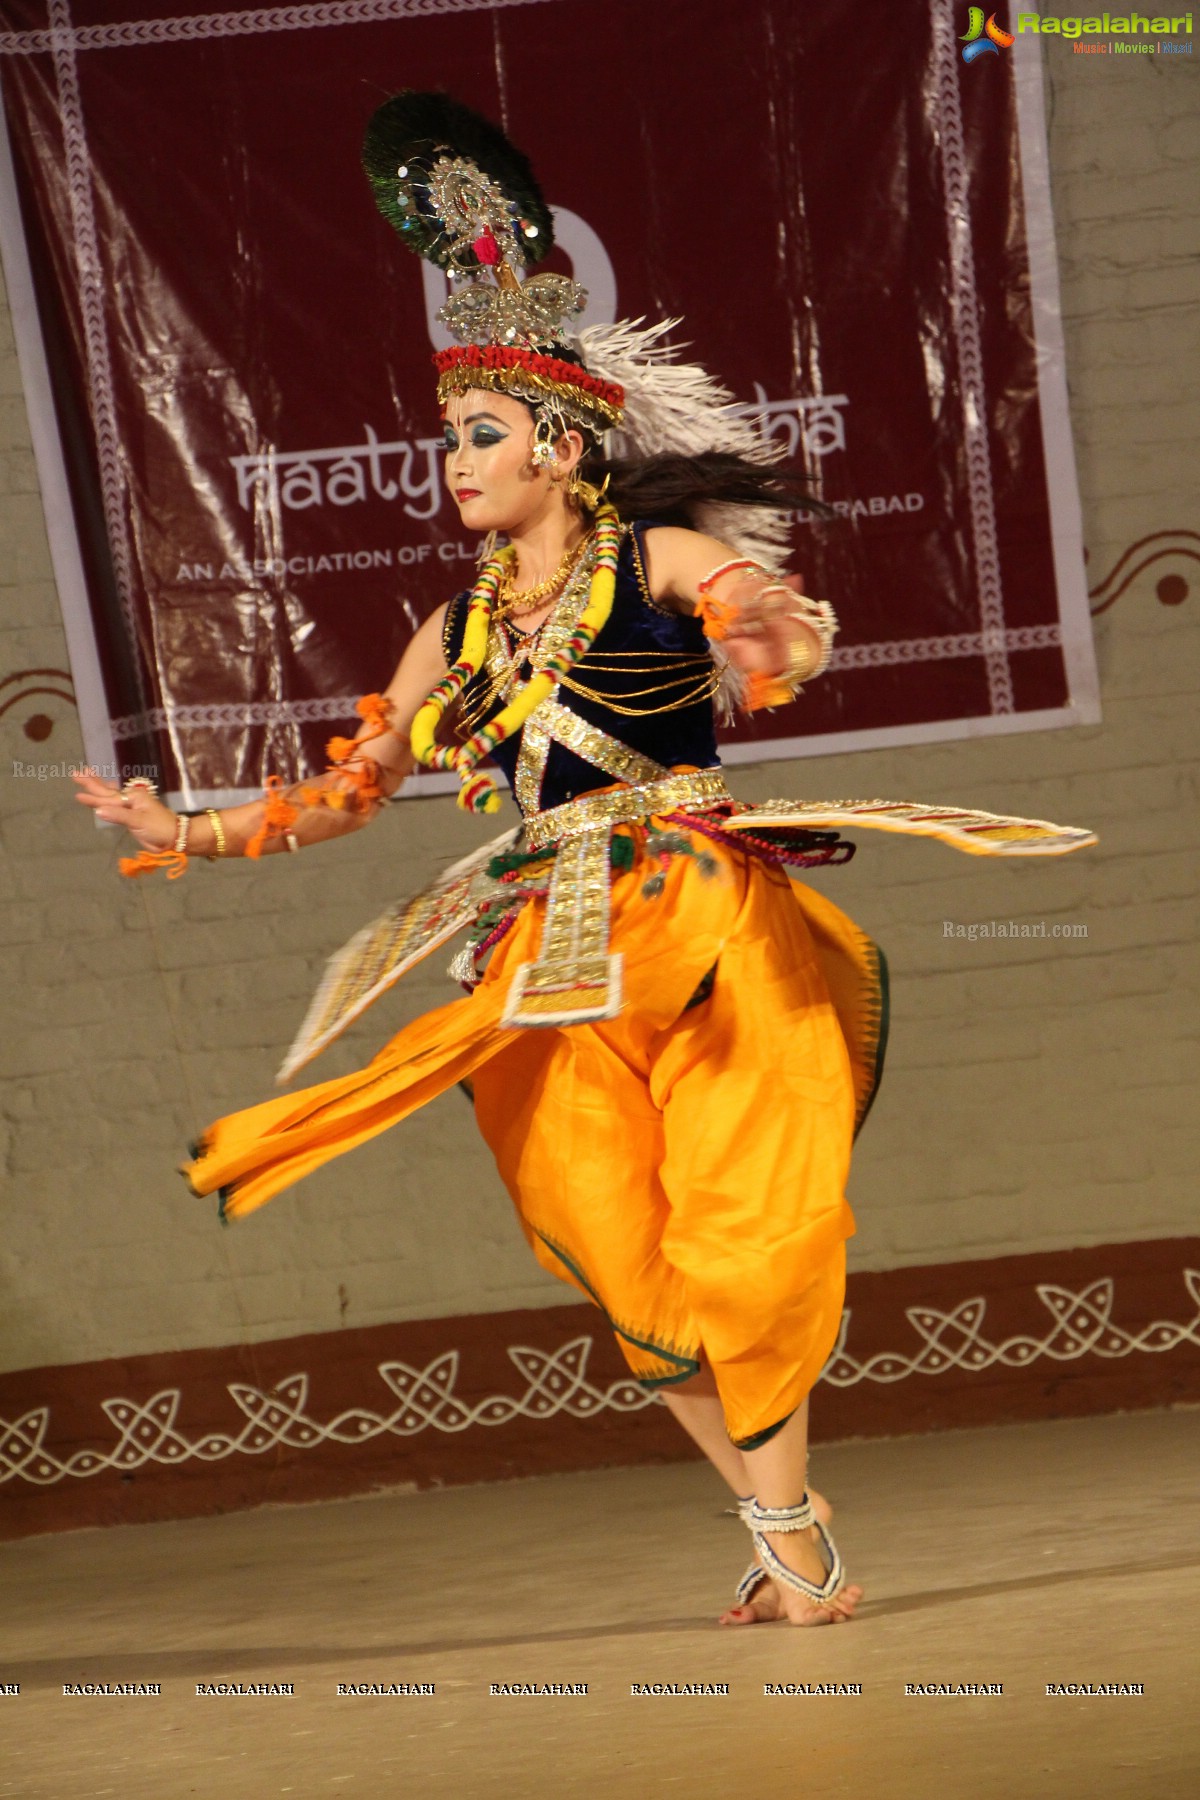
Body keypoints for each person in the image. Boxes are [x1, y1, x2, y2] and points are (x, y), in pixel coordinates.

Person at [73, 93, 1093, 1628]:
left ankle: (790, 1542)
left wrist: (770, 633)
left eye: (480, 435)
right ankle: (789, 1532)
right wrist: (192, 830)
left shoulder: (652, 560)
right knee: (626, 1265)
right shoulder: (453, 627)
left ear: (561, 444)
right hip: (537, 962)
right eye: (446, 439)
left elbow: (776, 620)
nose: (454, 463)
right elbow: (352, 791)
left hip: (698, 917)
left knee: (749, 1235)